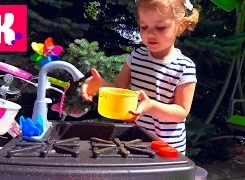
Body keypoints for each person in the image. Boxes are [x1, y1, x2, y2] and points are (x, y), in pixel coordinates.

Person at [81, 0, 199, 155]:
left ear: (180, 26)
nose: (150, 33)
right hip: (136, 141)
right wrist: (100, 84)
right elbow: (118, 88)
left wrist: (151, 106)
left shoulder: (184, 66)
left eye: (160, 27)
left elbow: (181, 111)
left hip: (168, 148)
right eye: (144, 26)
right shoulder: (136, 57)